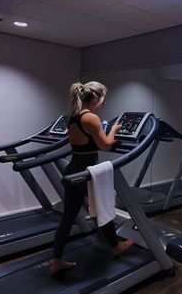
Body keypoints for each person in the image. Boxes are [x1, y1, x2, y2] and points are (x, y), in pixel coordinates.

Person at [50, 81, 133, 275]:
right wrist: (113, 130)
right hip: (88, 171)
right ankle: (115, 247)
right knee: (103, 209)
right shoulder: (92, 118)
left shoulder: (74, 116)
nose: (104, 104)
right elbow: (105, 146)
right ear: (96, 99)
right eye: (104, 100)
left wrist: (102, 130)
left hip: (73, 169)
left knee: (68, 218)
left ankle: (56, 260)